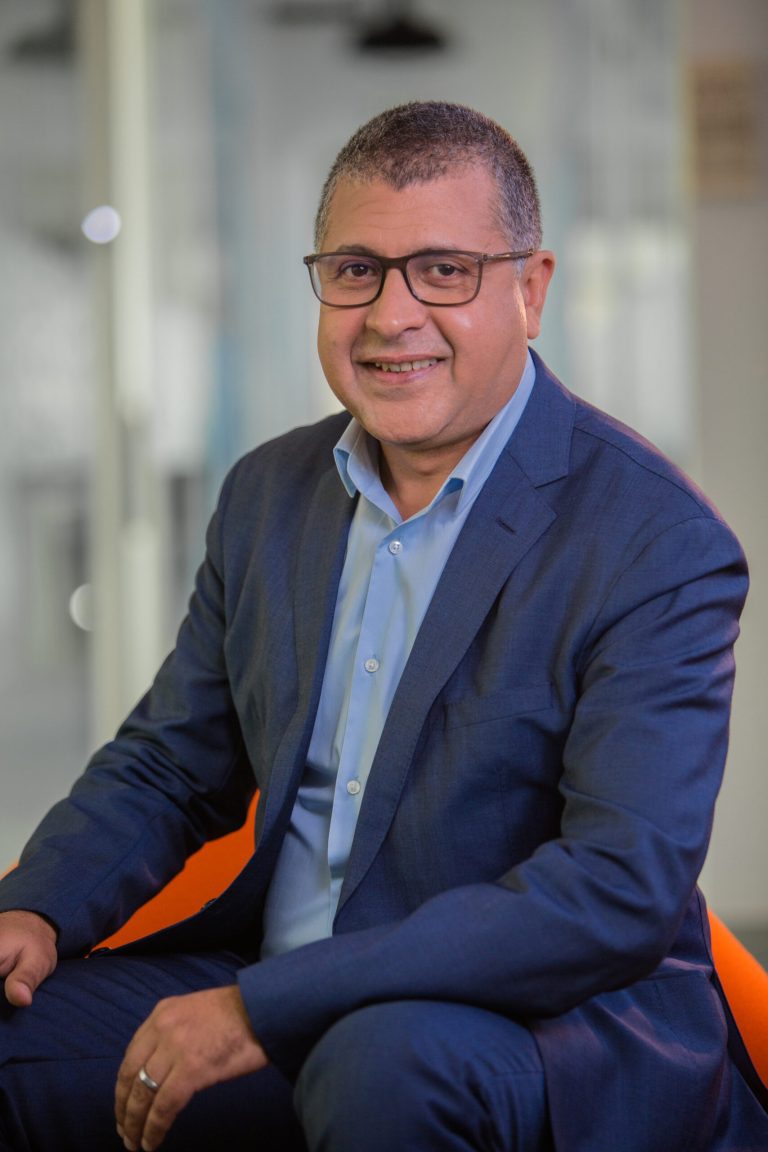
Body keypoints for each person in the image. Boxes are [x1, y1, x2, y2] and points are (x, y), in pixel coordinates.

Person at [0, 101, 766, 1152]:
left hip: (537, 1030)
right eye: (356, 270)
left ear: (531, 290)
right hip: (270, 980)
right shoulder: (268, 494)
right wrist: (36, 908)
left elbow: (615, 888)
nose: (390, 315)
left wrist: (271, 1006)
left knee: (381, 1067)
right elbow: (170, 766)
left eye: (444, 270)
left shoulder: (655, 539)